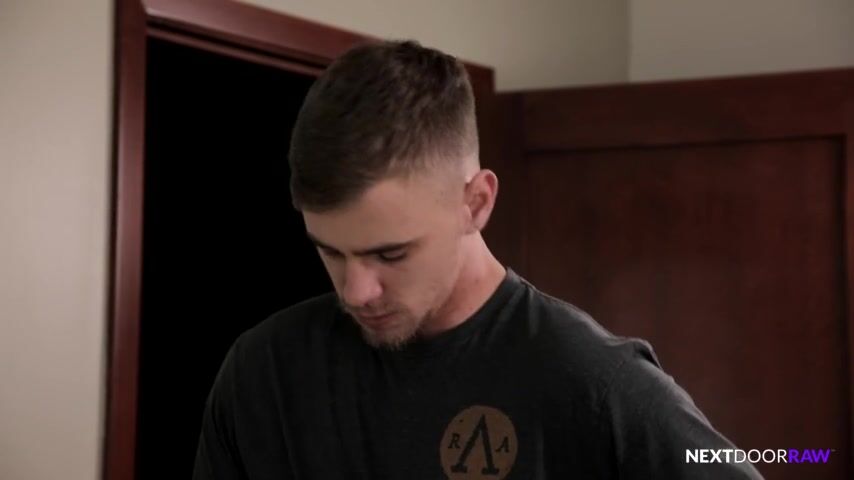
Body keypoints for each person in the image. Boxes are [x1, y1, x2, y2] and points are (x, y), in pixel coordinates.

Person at [193, 39, 763, 479]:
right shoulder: (262, 374)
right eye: (330, 251)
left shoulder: (593, 383)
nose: (356, 291)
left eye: (390, 253)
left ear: (476, 203)